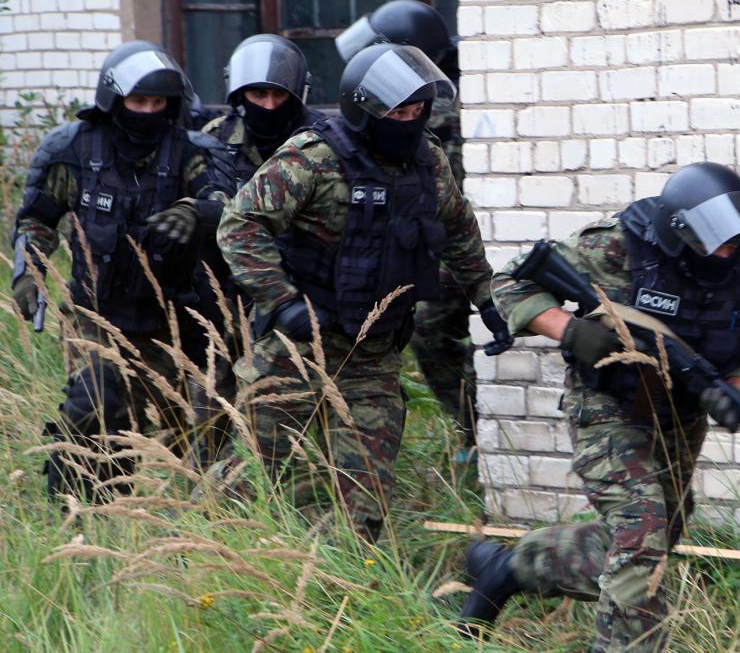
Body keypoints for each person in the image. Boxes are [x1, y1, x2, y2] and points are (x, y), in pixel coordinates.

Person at [458, 163, 740, 651]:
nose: (727, 252)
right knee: (642, 533)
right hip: (607, 405)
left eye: (734, 241)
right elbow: (509, 284)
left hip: (679, 416)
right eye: (715, 242)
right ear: (679, 230)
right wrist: (570, 330)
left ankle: (510, 568)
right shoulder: (615, 246)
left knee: (653, 539)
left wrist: (739, 391)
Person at [214, 43, 507, 541]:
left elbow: (458, 229)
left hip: (372, 357)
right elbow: (240, 224)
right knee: (256, 481)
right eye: (397, 112)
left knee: (363, 507)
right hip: (295, 350)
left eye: (416, 111)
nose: (408, 121)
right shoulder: (313, 157)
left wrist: (486, 296)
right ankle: (215, 554)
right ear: (364, 108)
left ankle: (344, 571)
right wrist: (280, 299)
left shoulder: (428, 163)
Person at [10, 40, 232, 501]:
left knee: (198, 432)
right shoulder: (74, 149)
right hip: (98, 317)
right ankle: (80, 513)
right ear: (114, 100)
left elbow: (227, 202)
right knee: (95, 405)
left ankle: (186, 521)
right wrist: (30, 271)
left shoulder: (190, 152)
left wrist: (196, 212)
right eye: (138, 101)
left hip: (177, 324)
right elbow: (37, 219)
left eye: (158, 103)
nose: (148, 111)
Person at [336, 0, 507, 464]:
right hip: (429, 235)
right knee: (428, 332)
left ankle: (477, 432)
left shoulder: (444, 105)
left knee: (434, 328)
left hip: (459, 237)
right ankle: (472, 429)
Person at [190, 35, 326, 464]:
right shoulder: (214, 138)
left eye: (279, 95)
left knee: (281, 418)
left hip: (296, 295)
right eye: (258, 94)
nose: (268, 105)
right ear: (238, 94)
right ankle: (202, 485)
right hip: (226, 293)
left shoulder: (322, 139)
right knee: (210, 408)